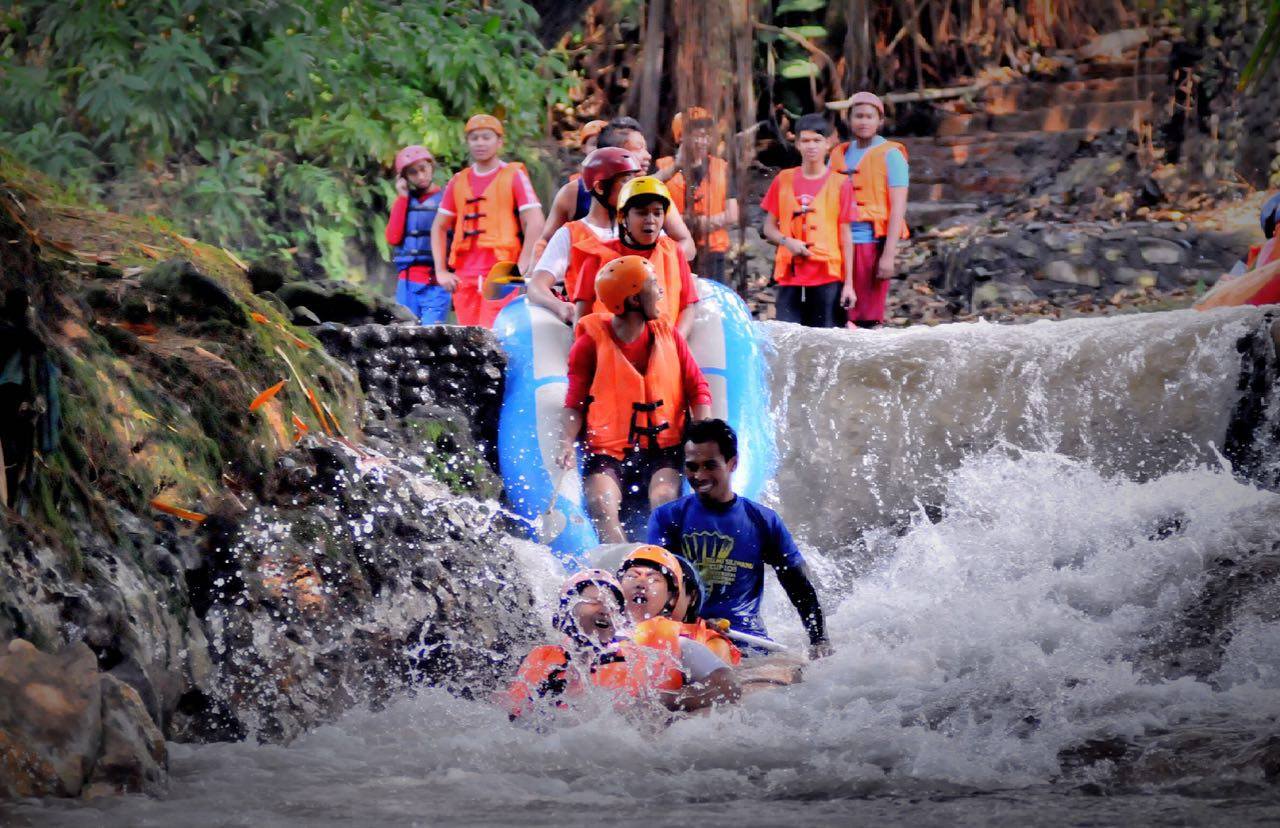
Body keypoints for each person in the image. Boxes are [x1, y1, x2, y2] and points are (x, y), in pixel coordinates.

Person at [647, 418, 832, 659]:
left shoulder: (763, 520)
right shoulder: (667, 518)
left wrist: (819, 639)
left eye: (710, 466)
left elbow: (799, 586)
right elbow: (659, 587)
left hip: (748, 643)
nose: (699, 475)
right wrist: (693, 622)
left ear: (732, 463)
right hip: (686, 641)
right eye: (692, 466)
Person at [560, 256, 712, 544]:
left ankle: (662, 565)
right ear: (632, 300)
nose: (661, 292)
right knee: (600, 506)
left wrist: (704, 436)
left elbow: (698, 388)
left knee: (664, 499)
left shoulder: (670, 336)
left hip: (663, 449)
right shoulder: (589, 344)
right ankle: (621, 570)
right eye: (653, 285)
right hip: (608, 452)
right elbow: (574, 403)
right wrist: (565, 442)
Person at [431, 114, 545, 328]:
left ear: (499, 142)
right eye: (474, 138)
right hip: (464, 274)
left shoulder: (513, 175)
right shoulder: (458, 180)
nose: (480, 143)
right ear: (468, 143)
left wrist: (520, 268)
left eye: (486, 137)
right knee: (468, 337)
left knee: (496, 336)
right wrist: (441, 271)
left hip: (501, 270)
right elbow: (439, 226)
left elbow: (536, 222)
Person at [536, 118, 698, 261]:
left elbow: (687, 245)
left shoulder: (654, 192)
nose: (648, 155)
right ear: (613, 153)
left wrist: (653, 262)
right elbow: (545, 243)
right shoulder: (573, 194)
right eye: (639, 148)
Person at [525, 147, 642, 324]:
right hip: (589, 331)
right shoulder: (569, 234)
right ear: (601, 187)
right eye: (625, 181)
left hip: (635, 331)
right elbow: (536, 286)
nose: (633, 190)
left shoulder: (641, 229)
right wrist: (560, 306)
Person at [616, 546, 741, 711]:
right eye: (632, 576)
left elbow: (728, 686)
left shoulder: (702, 641)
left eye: (654, 579)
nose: (641, 583)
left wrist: (660, 699)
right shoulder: (601, 630)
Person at [761, 113, 856, 329]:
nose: (811, 146)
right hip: (790, 275)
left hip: (827, 275)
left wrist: (849, 284)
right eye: (805, 141)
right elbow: (768, 228)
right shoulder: (783, 179)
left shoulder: (841, 183)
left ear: (828, 144)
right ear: (796, 143)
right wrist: (787, 242)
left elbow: (846, 237)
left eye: (817, 140)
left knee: (826, 339)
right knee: (788, 337)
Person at [572, 176, 700, 337]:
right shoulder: (596, 257)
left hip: (665, 348)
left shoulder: (674, 252)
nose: (651, 220)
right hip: (610, 348)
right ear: (623, 217)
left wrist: (675, 344)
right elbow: (582, 313)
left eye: (657, 213)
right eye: (641, 213)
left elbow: (688, 306)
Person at [829, 91, 910, 329]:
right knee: (839, 316)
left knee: (867, 317)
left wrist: (889, 255)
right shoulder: (839, 153)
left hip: (871, 243)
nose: (863, 121)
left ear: (879, 121)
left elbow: (898, 208)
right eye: (858, 116)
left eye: (869, 117)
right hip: (837, 243)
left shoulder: (891, 155)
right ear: (848, 119)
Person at [655, 107, 740, 284]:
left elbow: (733, 214)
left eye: (707, 135)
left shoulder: (722, 168)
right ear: (681, 136)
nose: (703, 141)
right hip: (675, 249)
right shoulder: (663, 168)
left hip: (712, 251)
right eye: (697, 135)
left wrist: (700, 223)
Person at [386, 145, 451, 324]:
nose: (421, 176)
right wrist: (402, 197)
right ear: (405, 177)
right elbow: (393, 237)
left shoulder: (447, 199)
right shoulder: (404, 201)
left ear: (431, 167)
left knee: (430, 337)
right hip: (407, 283)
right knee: (404, 335)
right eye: (413, 173)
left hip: (437, 284)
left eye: (423, 169)